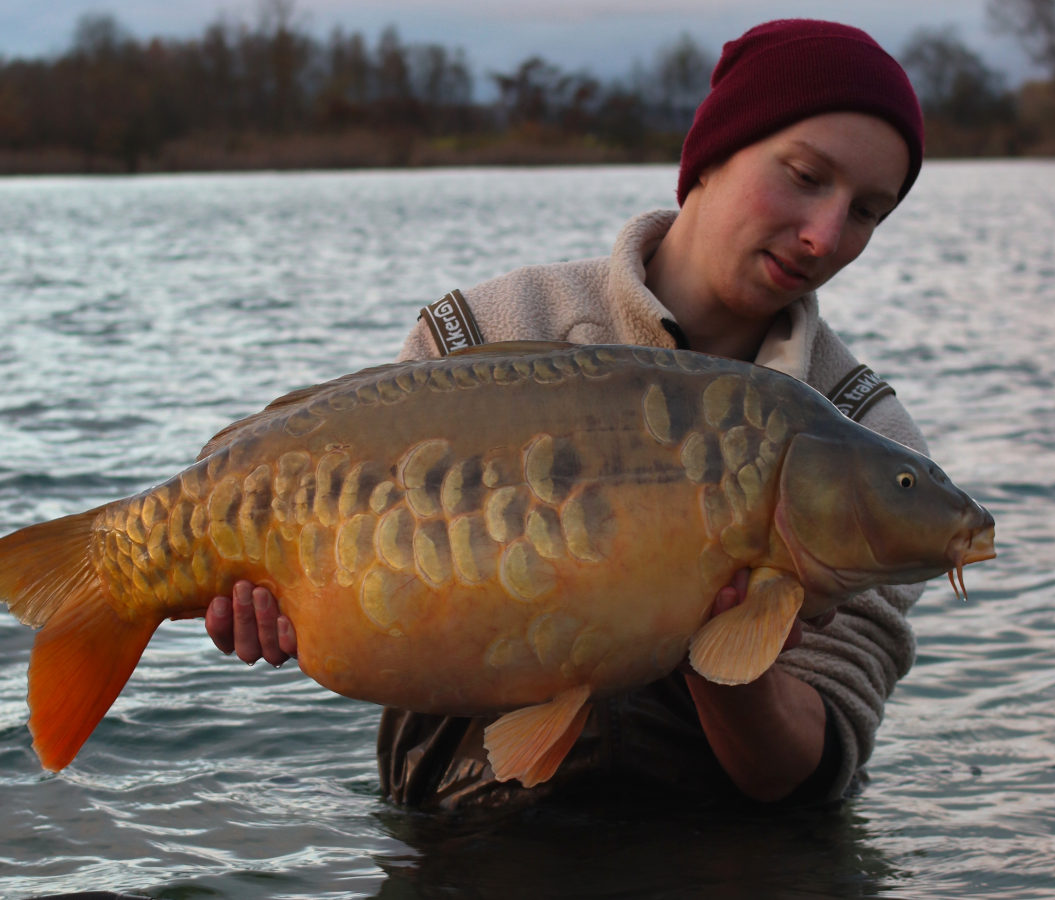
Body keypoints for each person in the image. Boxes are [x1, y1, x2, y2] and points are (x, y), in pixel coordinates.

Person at [204, 18, 928, 810]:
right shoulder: (484, 329)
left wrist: (724, 653)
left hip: (723, 837)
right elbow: (376, 612)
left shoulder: (869, 446)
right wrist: (289, 604)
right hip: (465, 804)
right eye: (803, 176)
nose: (825, 235)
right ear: (712, 155)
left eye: (867, 212)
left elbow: (809, 766)